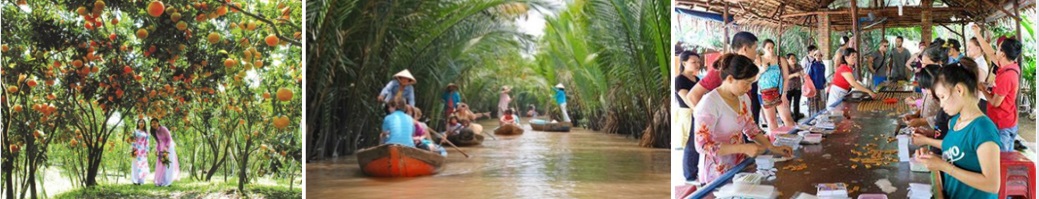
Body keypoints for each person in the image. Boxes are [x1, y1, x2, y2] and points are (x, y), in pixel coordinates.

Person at [693, 54, 793, 183]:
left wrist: (772, 147)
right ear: (730, 79)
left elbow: (751, 128)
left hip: (739, 165)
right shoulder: (710, 103)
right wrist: (743, 148)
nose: (750, 88)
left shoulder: (743, 98)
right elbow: (703, 145)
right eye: (746, 83)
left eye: (751, 83)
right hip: (717, 171)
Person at [911, 63, 1002, 199]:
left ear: (959, 90)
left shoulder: (983, 129)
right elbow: (956, 149)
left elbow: (992, 184)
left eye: (942, 97)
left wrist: (944, 167)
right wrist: (931, 158)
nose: (941, 104)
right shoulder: (955, 121)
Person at [687, 32, 763, 124]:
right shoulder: (723, 70)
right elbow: (692, 96)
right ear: (745, 49)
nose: (756, 53)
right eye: (755, 49)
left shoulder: (748, 69)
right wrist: (708, 122)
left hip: (742, 125)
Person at [972, 25, 1022, 151]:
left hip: (1003, 124)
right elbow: (989, 51)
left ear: (1003, 54)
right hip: (1004, 120)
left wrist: (982, 89)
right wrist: (977, 33)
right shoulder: (1006, 65)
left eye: (998, 49)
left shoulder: (1007, 75)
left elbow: (995, 102)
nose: (996, 51)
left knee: (1002, 160)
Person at [757, 39, 795, 132]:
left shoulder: (780, 59)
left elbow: (786, 77)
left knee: (787, 118)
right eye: (768, 48)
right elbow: (754, 78)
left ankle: (793, 138)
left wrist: (784, 94)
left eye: (772, 47)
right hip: (764, 92)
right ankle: (776, 142)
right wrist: (762, 70)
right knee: (771, 120)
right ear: (763, 49)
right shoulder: (759, 59)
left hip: (779, 91)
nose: (771, 50)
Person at [675, 51, 702, 182]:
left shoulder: (697, 79)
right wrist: (698, 110)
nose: (697, 65)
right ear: (684, 63)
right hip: (688, 113)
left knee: (697, 144)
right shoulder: (680, 80)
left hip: (697, 112)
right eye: (693, 62)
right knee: (690, 144)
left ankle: (694, 172)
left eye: (698, 62)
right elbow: (686, 98)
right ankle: (690, 176)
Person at [152, 118, 179, 187]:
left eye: (155, 122)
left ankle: (168, 182)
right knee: (162, 164)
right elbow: (158, 142)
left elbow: (169, 138)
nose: (153, 124)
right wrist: (156, 150)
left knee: (168, 164)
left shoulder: (163, 129)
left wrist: (166, 147)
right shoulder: (155, 132)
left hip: (169, 147)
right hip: (162, 147)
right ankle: (162, 181)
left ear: (158, 123)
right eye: (152, 123)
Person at [801, 45, 827, 113]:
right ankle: (812, 118)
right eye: (816, 55)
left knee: (822, 102)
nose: (818, 57)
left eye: (820, 55)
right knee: (813, 103)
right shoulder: (812, 65)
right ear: (814, 56)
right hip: (813, 87)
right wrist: (811, 87)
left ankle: (821, 116)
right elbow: (809, 77)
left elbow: (823, 76)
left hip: (821, 86)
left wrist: (825, 82)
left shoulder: (822, 65)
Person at [967, 37, 989, 113]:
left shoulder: (980, 64)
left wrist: (974, 105)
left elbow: (980, 87)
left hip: (979, 101)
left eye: (970, 47)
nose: (968, 49)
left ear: (977, 48)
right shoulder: (976, 63)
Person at [784, 53, 804, 121]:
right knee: (787, 104)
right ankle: (787, 118)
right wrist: (794, 75)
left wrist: (803, 76)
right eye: (792, 58)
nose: (793, 60)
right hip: (788, 88)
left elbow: (803, 74)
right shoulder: (785, 67)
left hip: (797, 87)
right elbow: (785, 77)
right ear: (787, 60)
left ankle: (796, 118)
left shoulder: (798, 66)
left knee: (796, 103)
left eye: (794, 58)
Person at [130, 119, 150, 185]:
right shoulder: (135, 131)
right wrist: (133, 150)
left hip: (143, 150)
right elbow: (133, 141)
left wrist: (147, 150)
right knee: (135, 165)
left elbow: (147, 142)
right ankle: (135, 180)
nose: (141, 123)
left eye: (143, 122)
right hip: (136, 149)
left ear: (144, 124)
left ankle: (141, 181)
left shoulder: (146, 132)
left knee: (142, 165)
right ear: (138, 123)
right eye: (140, 122)